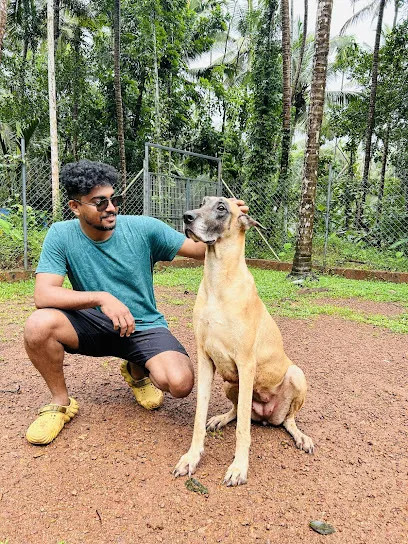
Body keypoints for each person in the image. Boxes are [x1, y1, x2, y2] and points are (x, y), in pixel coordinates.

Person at [24, 159, 248, 445]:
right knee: (38, 325)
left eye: (114, 199)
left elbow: (198, 249)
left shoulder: (143, 228)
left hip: (143, 326)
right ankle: (60, 402)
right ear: (75, 207)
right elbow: (43, 295)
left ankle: (136, 369)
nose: (111, 208)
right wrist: (102, 298)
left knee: (180, 383)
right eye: (99, 202)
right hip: (93, 322)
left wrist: (229, 222)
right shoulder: (61, 234)